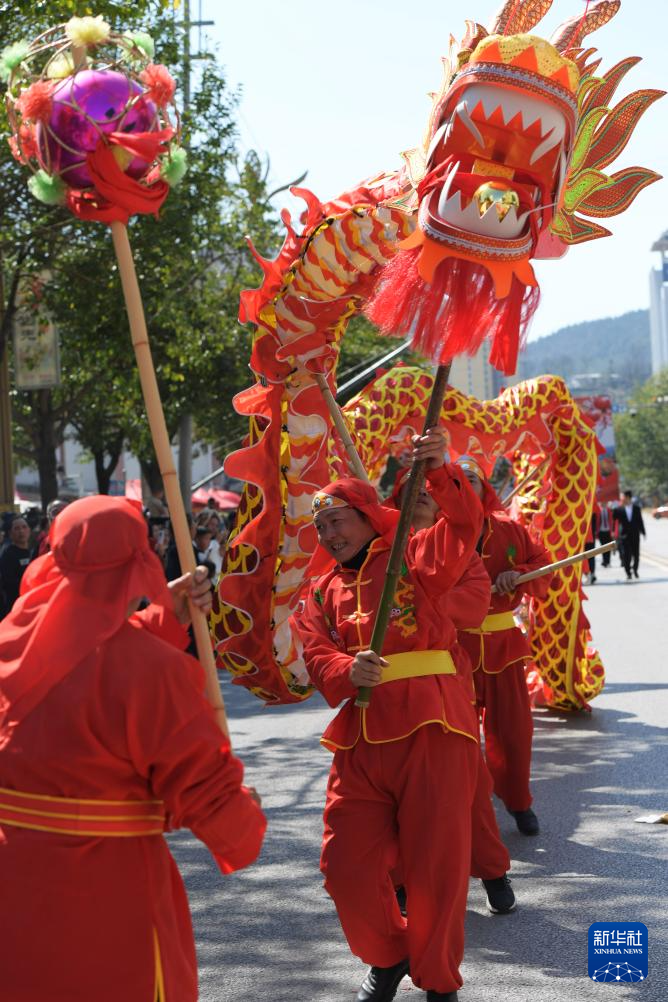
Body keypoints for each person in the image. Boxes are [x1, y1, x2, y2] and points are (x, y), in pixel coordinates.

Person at [0, 496, 266, 1002]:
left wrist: (162, 618)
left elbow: (76, 659)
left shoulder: (11, 642)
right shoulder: (149, 672)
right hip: (107, 896)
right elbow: (215, 806)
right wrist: (243, 814)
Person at [294, 428, 485, 1002]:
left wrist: (439, 469)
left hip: (434, 725)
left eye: (337, 522)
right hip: (360, 737)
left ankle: (438, 979)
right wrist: (344, 669)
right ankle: (388, 953)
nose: (330, 535)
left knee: (436, 867)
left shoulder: (414, 554)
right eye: (322, 527)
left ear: (366, 516)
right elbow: (315, 651)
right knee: (344, 865)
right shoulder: (319, 590)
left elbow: (463, 527)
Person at [388, 467, 515, 916]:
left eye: (429, 490)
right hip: (386, 694)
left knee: (470, 786)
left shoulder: (460, 552)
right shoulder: (377, 554)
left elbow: (474, 606)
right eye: (413, 490)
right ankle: (401, 881)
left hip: (444, 685)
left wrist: (416, 603)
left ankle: (493, 870)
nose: (422, 495)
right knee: (392, 795)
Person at [455, 456, 552, 837]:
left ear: (485, 488)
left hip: (504, 647)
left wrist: (520, 574)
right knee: (455, 735)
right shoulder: (431, 533)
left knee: (514, 732)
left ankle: (518, 800)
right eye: (455, 482)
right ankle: (462, 805)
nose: (464, 488)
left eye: (471, 480)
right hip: (452, 650)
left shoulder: (510, 529)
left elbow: (542, 566)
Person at [0, 516, 33, 619]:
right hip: (16, 605)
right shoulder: (8, 554)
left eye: (24, 527)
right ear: (10, 533)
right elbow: (9, 582)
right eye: (17, 528)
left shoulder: (33, 551)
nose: (21, 531)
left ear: (29, 530)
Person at [613, 489, 646, 580]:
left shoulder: (636, 508)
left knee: (636, 555)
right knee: (626, 555)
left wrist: (643, 532)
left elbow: (640, 521)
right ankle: (628, 572)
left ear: (628, 498)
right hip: (624, 536)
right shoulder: (619, 509)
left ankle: (635, 569)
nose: (622, 499)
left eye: (623, 497)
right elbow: (613, 519)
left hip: (635, 535)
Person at [598, 501, 613, 567]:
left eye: (605, 502)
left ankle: (608, 561)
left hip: (608, 531)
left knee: (608, 547)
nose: (603, 503)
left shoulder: (609, 510)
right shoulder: (599, 510)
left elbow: (612, 520)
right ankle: (604, 561)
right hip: (601, 531)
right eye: (602, 502)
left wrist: (612, 531)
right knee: (603, 547)